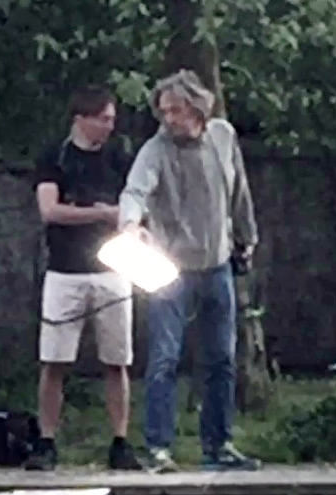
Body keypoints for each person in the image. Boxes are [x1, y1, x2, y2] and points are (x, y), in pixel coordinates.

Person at [118, 70, 260, 473]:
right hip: (171, 269)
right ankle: (158, 447)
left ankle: (219, 444)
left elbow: (239, 191)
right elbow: (135, 190)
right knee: (164, 357)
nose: (168, 119)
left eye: (175, 111)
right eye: (163, 112)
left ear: (196, 108)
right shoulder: (156, 149)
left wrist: (247, 237)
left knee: (221, 359)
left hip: (216, 264)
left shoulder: (223, 136)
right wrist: (130, 226)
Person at [25, 85, 142, 472]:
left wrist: (125, 223)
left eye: (112, 119)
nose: (110, 126)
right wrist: (101, 214)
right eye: (103, 118)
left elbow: (134, 207)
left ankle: (121, 440)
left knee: (117, 360)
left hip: (113, 270)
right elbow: (50, 210)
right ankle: (46, 440)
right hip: (65, 271)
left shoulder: (119, 159)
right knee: (54, 359)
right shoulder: (54, 158)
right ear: (82, 118)